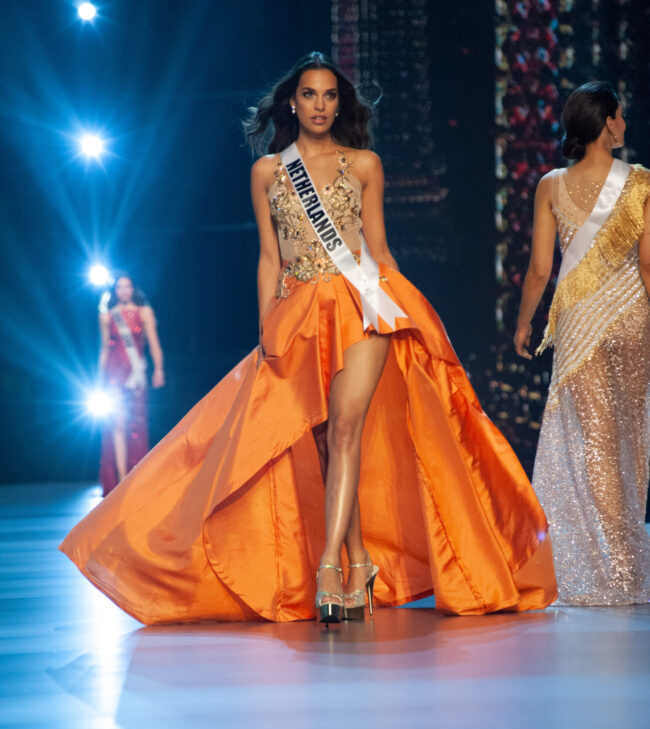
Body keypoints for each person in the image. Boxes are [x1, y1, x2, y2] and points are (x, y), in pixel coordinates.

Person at [61, 52, 556, 625]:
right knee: (321, 443)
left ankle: (329, 570)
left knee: (346, 431)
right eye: (311, 95)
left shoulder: (365, 164)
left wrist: (408, 312)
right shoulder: (269, 171)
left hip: (361, 306)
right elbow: (268, 259)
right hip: (297, 313)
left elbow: (381, 251)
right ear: (292, 103)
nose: (321, 105)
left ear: (338, 104)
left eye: (330, 96)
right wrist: (267, 328)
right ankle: (361, 560)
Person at [514, 81, 650, 606]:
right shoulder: (641, 182)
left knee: (595, 438)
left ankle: (614, 566)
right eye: (621, 117)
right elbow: (649, 265)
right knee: (630, 435)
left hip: (578, 326)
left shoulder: (550, 184)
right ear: (609, 122)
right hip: (635, 319)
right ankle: (627, 560)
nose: (625, 125)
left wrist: (526, 324)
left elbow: (540, 270)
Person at [98, 273, 165, 495]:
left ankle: (136, 476)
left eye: (127, 286)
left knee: (136, 425)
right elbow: (105, 349)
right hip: (114, 374)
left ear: (133, 288)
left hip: (135, 374)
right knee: (117, 424)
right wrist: (100, 378)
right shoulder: (108, 316)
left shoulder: (144, 312)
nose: (124, 291)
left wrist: (158, 369)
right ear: (114, 290)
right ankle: (121, 478)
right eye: (119, 287)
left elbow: (153, 343)